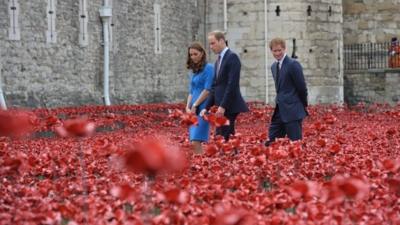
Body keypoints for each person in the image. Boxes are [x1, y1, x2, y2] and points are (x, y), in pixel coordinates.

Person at [201, 30, 249, 141]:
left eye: (213, 43)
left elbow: (232, 84)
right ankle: (231, 156)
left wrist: (223, 106)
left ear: (222, 41)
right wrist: (206, 107)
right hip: (221, 107)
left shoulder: (232, 57)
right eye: (210, 44)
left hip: (229, 106)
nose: (211, 47)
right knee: (222, 138)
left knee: (225, 138)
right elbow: (214, 87)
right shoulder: (218, 61)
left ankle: (233, 157)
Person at [265, 37, 308, 146]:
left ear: (284, 49)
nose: (277, 53)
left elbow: (301, 87)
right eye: (275, 51)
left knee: (296, 144)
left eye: (280, 50)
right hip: (279, 111)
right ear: (271, 51)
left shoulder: (293, 64)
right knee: (271, 142)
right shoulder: (273, 67)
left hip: (293, 111)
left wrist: (301, 104)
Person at [186, 42, 214, 154]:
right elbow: (191, 91)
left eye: (195, 54)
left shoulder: (209, 68)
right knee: (193, 141)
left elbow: (207, 90)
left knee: (196, 141)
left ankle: (201, 166)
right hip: (193, 110)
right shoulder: (194, 72)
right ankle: (200, 166)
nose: (193, 57)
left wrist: (195, 105)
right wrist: (187, 107)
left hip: (203, 109)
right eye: (191, 55)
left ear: (202, 53)